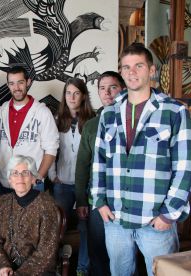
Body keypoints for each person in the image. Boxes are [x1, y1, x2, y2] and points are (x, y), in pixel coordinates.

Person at [91, 43, 191, 276]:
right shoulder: (109, 113)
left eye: (138, 65)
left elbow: (185, 167)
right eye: (126, 67)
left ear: (152, 70)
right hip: (116, 217)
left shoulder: (174, 111)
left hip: (156, 221)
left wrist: (169, 214)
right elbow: (99, 161)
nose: (131, 72)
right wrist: (100, 201)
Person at [74, 71, 125, 276]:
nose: (108, 93)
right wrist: (81, 200)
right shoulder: (92, 125)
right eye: (102, 88)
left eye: (112, 87)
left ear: (122, 89)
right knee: (97, 249)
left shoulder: (131, 119)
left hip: (126, 197)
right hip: (98, 197)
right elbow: (82, 165)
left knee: (124, 253)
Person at [50, 77, 95, 276]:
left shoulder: (93, 119)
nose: (72, 97)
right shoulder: (56, 119)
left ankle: (82, 269)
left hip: (85, 185)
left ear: (83, 95)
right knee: (56, 225)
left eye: (76, 93)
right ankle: (55, 265)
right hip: (63, 183)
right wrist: (52, 175)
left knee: (86, 228)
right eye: (68, 93)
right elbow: (49, 148)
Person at [0, 66, 59, 194]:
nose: (16, 88)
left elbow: (51, 149)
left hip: (31, 182)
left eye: (20, 82)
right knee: (3, 214)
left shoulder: (42, 112)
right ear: (8, 85)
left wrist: (38, 177)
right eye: (12, 83)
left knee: (33, 215)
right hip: (4, 181)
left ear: (28, 82)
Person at [0, 155, 59, 275]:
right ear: (10, 179)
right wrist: (3, 266)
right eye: (15, 173)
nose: (20, 177)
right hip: (5, 268)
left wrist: (20, 273)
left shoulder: (46, 204)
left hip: (37, 270)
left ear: (33, 178)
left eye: (25, 172)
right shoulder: (3, 203)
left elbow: (47, 250)